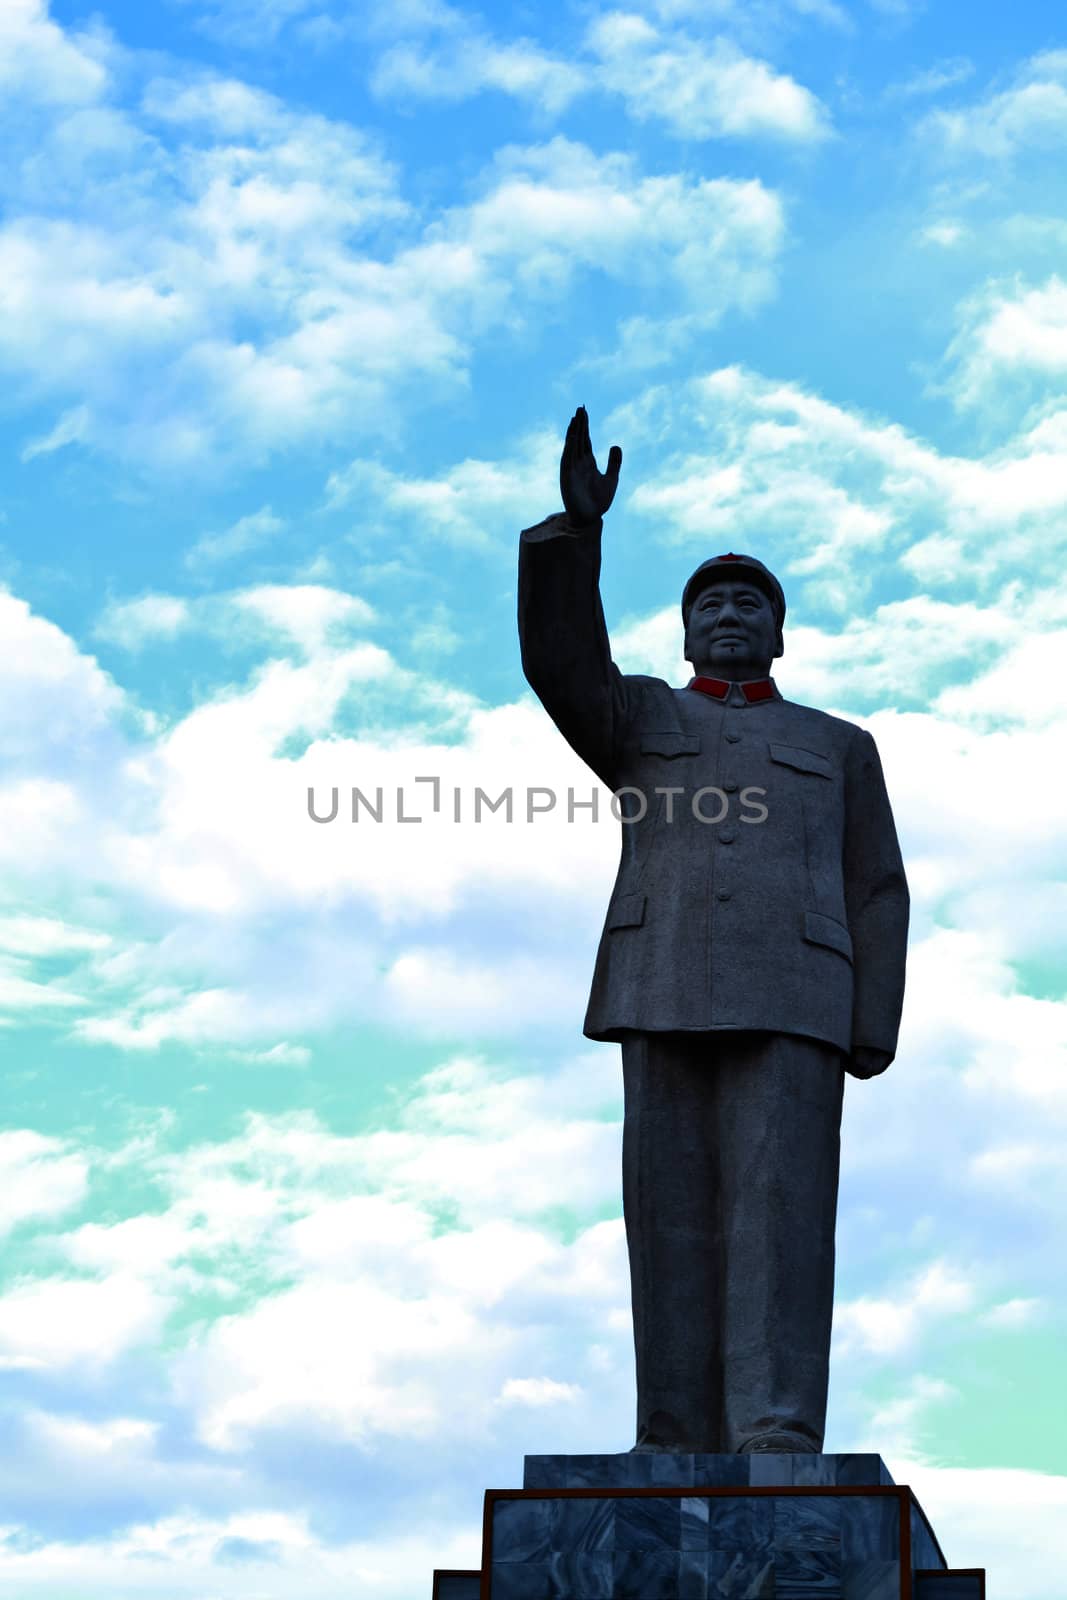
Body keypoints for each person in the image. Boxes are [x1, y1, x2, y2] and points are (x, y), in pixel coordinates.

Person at [518, 407, 909, 1454]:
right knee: (667, 1216)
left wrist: (869, 1020)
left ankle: (775, 1425)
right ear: (684, 630)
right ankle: (671, 1430)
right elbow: (560, 665)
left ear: (777, 632)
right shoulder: (639, 716)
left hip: (795, 994)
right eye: (709, 603)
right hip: (661, 980)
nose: (728, 615)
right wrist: (575, 535)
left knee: (780, 1217)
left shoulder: (836, 744)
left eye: (748, 603)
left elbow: (876, 883)